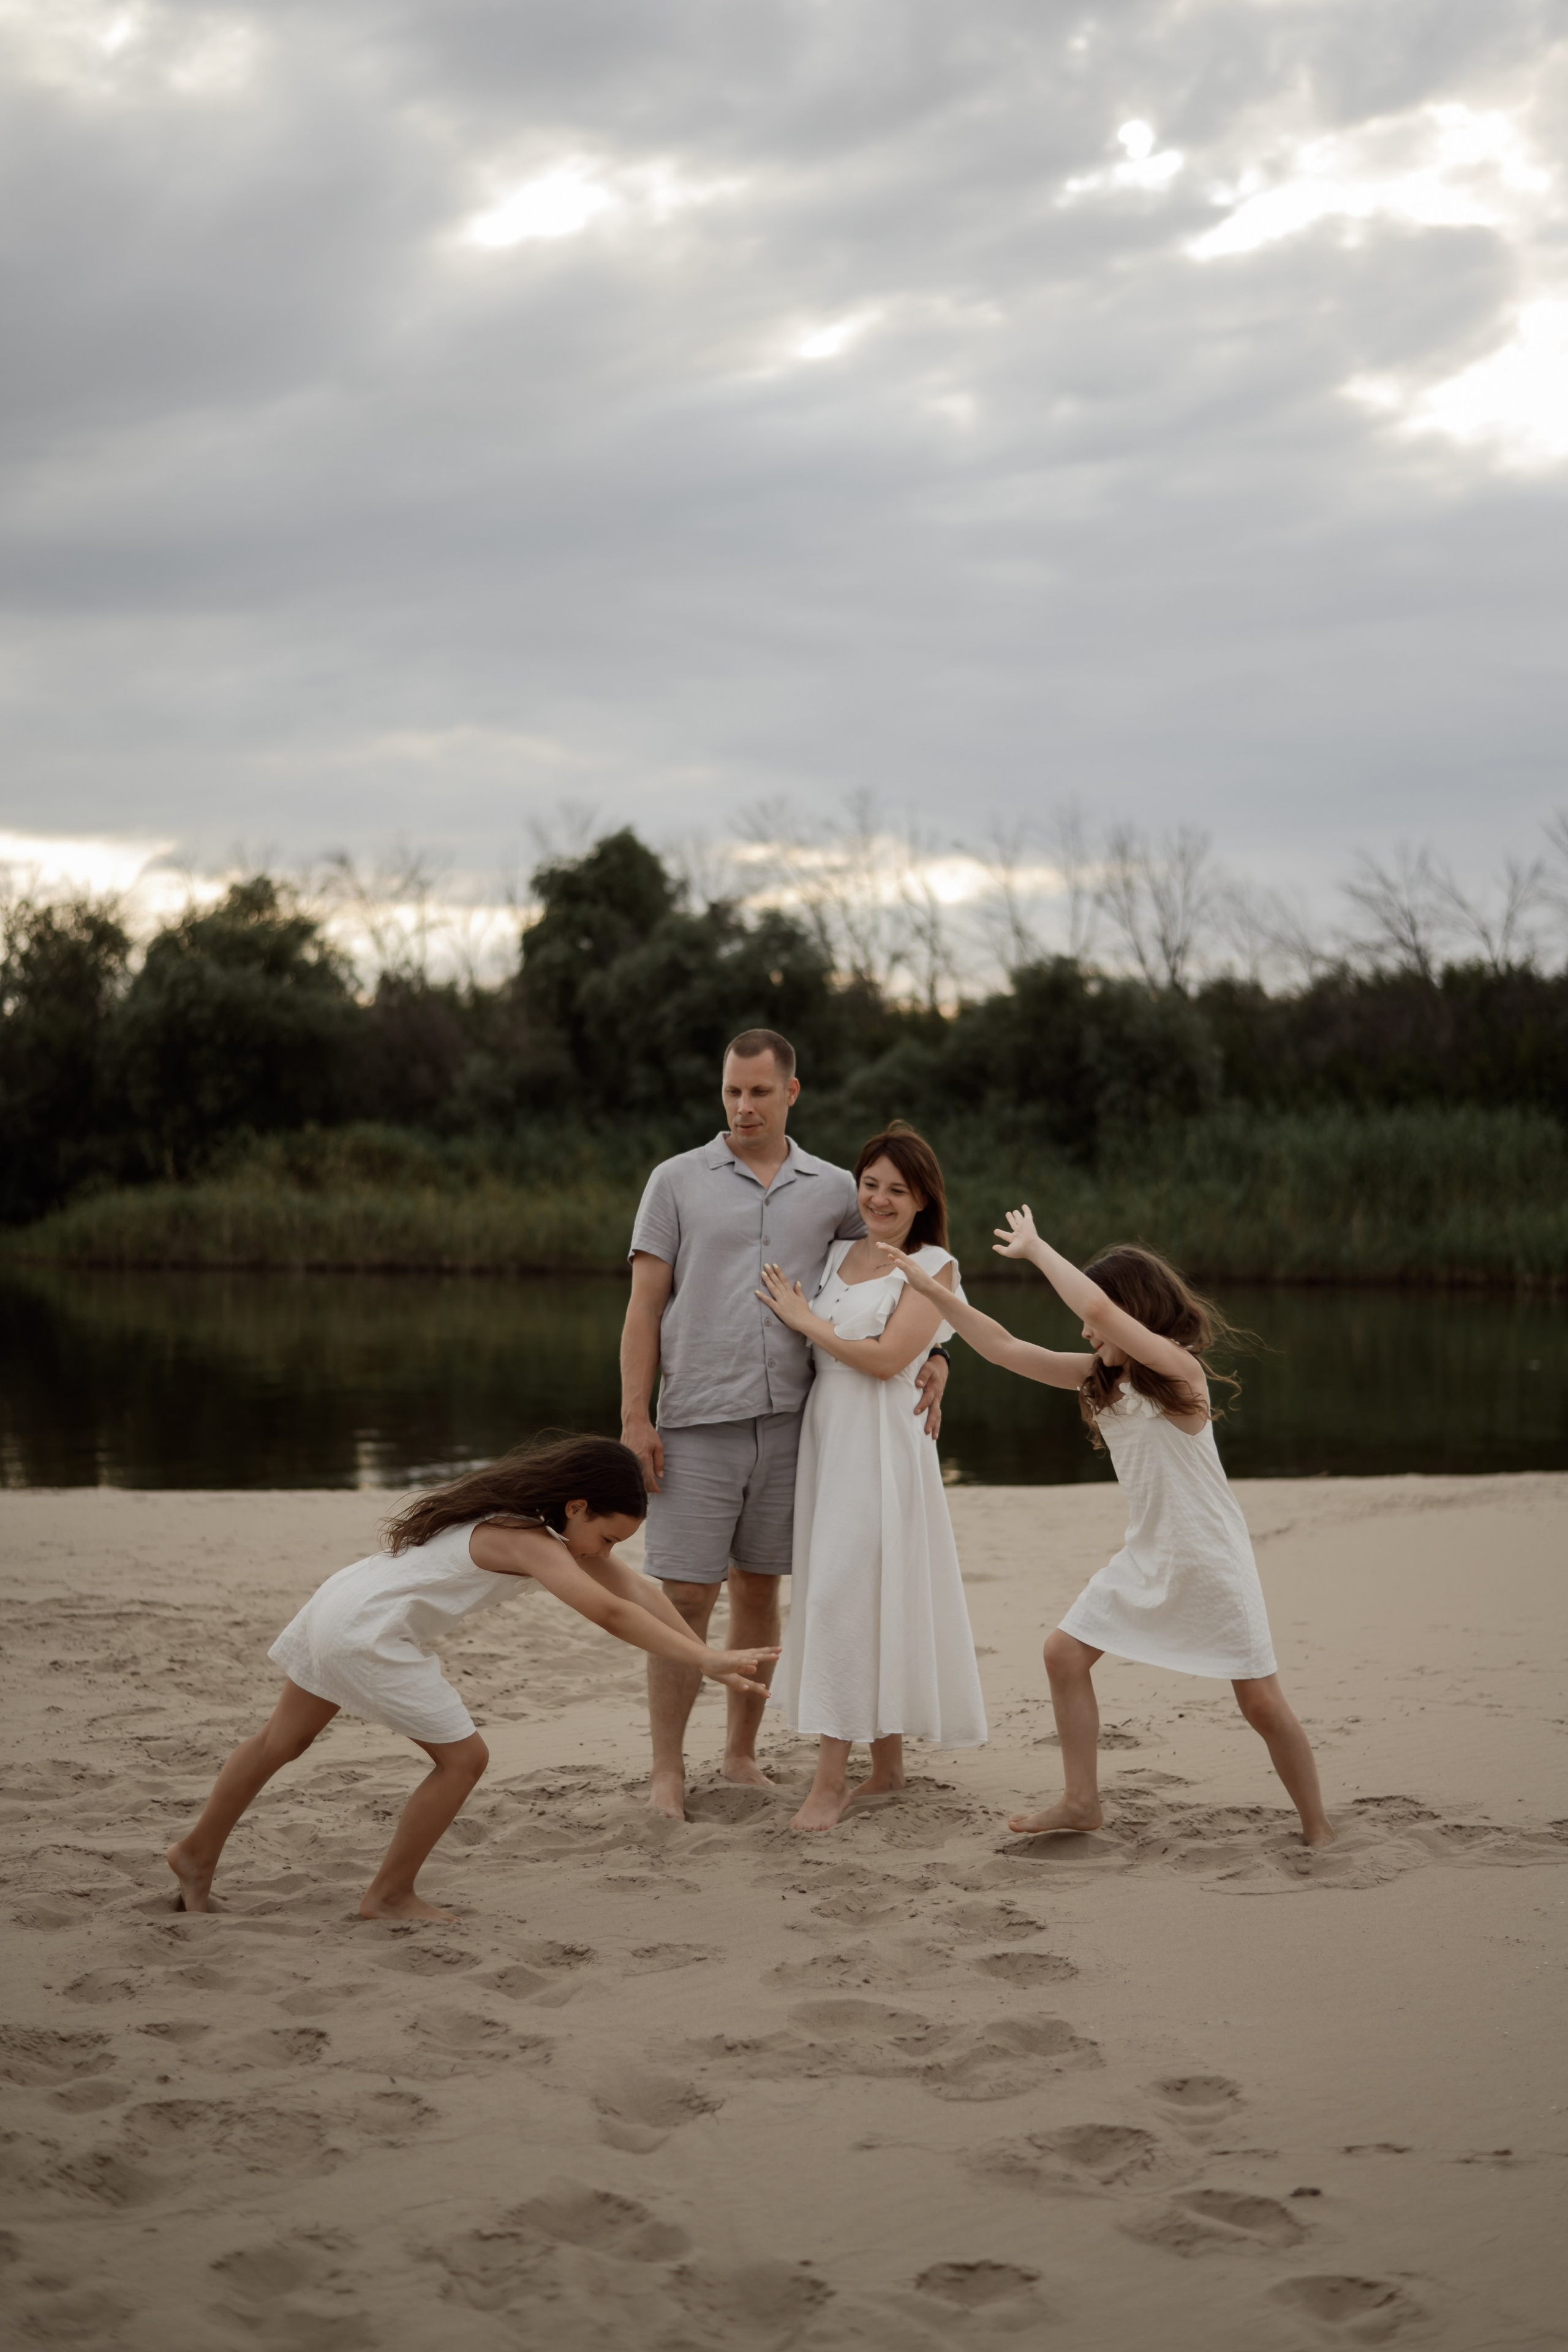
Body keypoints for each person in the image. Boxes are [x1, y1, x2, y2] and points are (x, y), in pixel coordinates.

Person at [165, 1436, 778, 1923]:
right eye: (606, 1535)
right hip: (365, 1633)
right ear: (576, 1507)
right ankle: (390, 1896)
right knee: (463, 1760)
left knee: (281, 1741)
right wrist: (703, 1662)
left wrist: (701, 1652)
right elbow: (609, 1612)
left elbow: (633, 1589)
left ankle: (194, 1854)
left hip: (338, 1604)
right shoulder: (528, 1540)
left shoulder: (518, 1517)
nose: (602, 1550)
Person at [883, 1210, 1334, 1850]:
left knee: (1260, 1702)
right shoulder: (1102, 1384)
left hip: (1210, 1559)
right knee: (1062, 1653)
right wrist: (935, 1295)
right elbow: (1007, 1349)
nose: (1086, 1329)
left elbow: (1093, 1301)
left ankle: (1317, 1829)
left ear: (1133, 1312)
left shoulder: (1181, 1376)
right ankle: (1080, 1801)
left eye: (1099, 1323)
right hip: (1146, 1555)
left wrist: (1039, 1250)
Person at [621, 1030, 950, 1820]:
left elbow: (885, 1285)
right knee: (686, 1596)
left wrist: (936, 1359)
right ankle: (668, 1769)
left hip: (798, 1425)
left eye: (760, 1092)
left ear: (791, 1093)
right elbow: (643, 1306)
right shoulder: (674, 1182)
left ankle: (739, 1755)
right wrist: (635, 1415)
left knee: (761, 1592)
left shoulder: (836, 1188)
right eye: (733, 1091)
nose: (743, 1106)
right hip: (696, 1418)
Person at [756, 1125, 987, 1831]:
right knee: (859, 1591)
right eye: (871, 1184)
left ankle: (829, 1784)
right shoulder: (832, 1254)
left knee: (839, 1598)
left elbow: (890, 1358)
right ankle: (886, 1771)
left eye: (898, 1189)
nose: (881, 1199)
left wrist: (803, 1319)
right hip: (829, 1438)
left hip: (884, 1444)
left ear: (923, 1200)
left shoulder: (934, 1266)